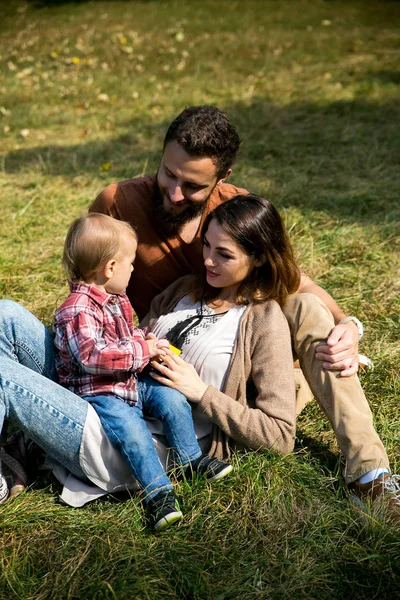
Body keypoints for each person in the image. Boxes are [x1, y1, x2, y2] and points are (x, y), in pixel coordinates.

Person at [0, 105, 399, 517]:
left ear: (221, 180)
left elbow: (296, 282)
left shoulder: (235, 218)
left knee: (307, 308)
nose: (174, 193)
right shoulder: (125, 211)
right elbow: (86, 278)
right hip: (120, 358)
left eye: (191, 185)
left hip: (155, 397)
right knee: (5, 314)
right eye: (168, 174)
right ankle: (24, 439)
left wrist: (348, 324)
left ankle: (369, 473)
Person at [0, 195, 296, 513]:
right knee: (6, 313)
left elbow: (280, 435)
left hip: (139, 437)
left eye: (223, 254)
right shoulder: (185, 289)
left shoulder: (265, 320)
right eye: (207, 246)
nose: (208, 260)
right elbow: (120, 340)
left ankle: (22, 451)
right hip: (104, 388)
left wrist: (201, 392)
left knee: (3, 374)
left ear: (260, 258)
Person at [53, 213, 232, 530]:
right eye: (131, 263)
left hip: (130, 380)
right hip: (101, 393)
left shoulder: (116, 297)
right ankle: (158, 493)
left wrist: (145, 340)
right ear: (110, 268)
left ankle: (189, 458)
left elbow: (126, 334)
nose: (133, 269)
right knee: (134, 433)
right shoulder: (77, 308)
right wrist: (142, 352)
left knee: (172, 399)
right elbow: (93, 357)